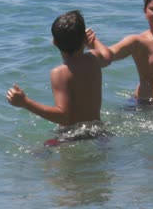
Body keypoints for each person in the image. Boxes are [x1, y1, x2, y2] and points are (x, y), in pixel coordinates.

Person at [7, 10, 112, 142]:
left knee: (39, 154)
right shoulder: (94, 58)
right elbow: (108, 57)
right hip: (97, 131)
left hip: (72, 135)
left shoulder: (60, 73)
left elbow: (64, 116)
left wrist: (25, 103)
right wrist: (94, 41)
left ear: (54, 42)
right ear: (84, 39)